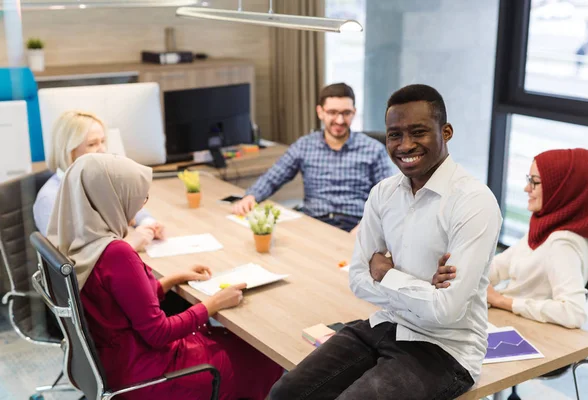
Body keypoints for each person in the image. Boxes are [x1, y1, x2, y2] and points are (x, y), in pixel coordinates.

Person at [269, 84, 502, 400]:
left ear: (445, 132)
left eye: (418, 132)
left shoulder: (474, 203)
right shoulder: (384, 194)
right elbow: (358, 280)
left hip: (445, 349)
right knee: (285, 392)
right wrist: (423, 289)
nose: (405, 145)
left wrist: (387, 274)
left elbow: (446, 311)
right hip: (385, 324)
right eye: (395, 135)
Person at [46, 153, 283, 400]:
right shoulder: (116, 253)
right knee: (260, 355)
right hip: (148, 373)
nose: (139, 208)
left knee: (230, 340)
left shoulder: (76, 241)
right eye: (137, 198)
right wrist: (214, 304)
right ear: (111, 199)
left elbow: (118, 305)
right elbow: (158, 333)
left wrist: (171, 279)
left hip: (112, 364)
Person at [435, 148, 588, 329]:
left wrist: (501, 300)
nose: (526, 188)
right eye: (528, 180)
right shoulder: (545, 232)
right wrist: (455, 272)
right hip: (511, 323)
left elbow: (573, 313)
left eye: (534, 182)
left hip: (528, 333)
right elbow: (497, 268)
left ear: (562, 189)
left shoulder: (562, 243)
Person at [232, 83, 396, 234]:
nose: (339, 120)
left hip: (356, 226)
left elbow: (388, 200)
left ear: (353, 112)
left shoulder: (373, 150)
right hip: (314, 224)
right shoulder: (305, 145)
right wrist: (251, 197)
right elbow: (274, 176)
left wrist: (366, 229)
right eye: (332, 112)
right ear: (320, 112)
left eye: (346, 113)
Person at [33, 110, 164, 251]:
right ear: (69, 151)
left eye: (103, 141)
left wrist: (148, 223)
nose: (103, 150)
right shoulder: (49, 199)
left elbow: (126, 205)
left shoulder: (95, 181)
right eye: (92, 144)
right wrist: (130, 245)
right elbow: (68, 258)